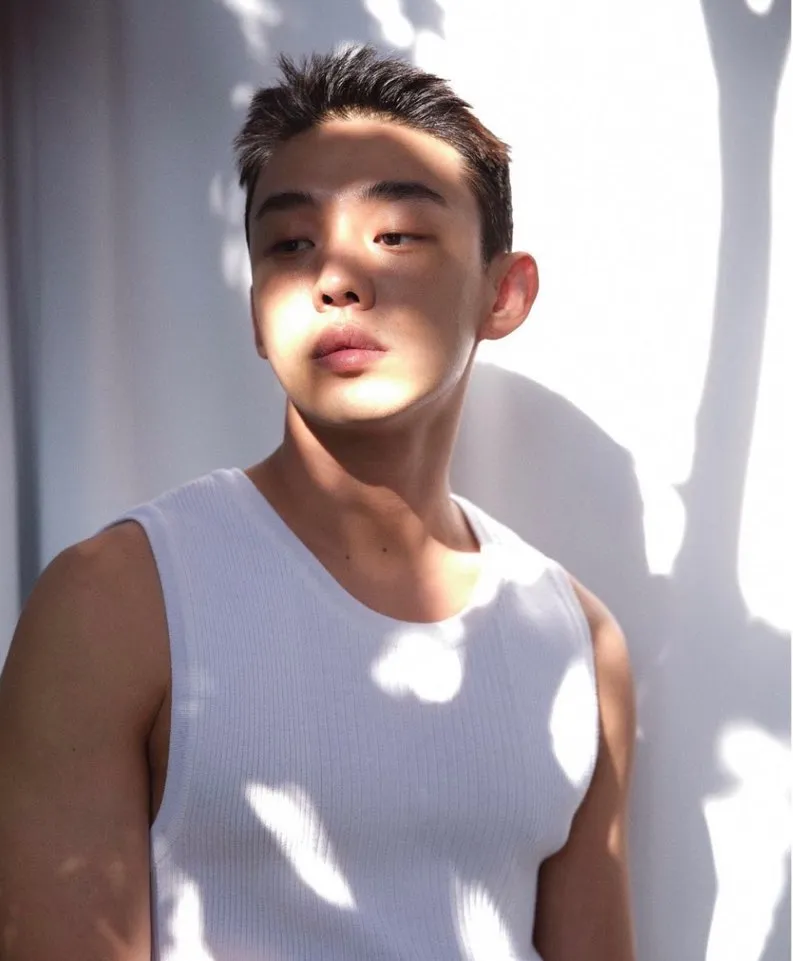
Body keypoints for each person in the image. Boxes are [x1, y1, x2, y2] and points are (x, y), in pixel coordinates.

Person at [0, 45, 637, 961]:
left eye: (397, 235)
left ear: (503, 292)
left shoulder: (575, 642)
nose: (334, 276)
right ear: (258, 310)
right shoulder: (118, 601)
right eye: (290, 244)